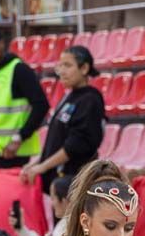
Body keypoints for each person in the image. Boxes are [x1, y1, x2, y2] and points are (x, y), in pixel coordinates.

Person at [21, 45, 106, 187]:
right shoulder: (69, 96)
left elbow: (75, 144)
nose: (61, 72)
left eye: (67, 65)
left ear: (84, 68)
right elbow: (56, 141)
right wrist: (37, 163)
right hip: (59, 181)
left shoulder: (90, 99)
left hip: (76, 180)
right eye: (60, 66)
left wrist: (43, 167)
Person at [0, 24, 50, 168]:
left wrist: (19, 138)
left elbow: (41, 105)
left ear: (1, 44)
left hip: (18, 154)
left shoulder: (19, 70)